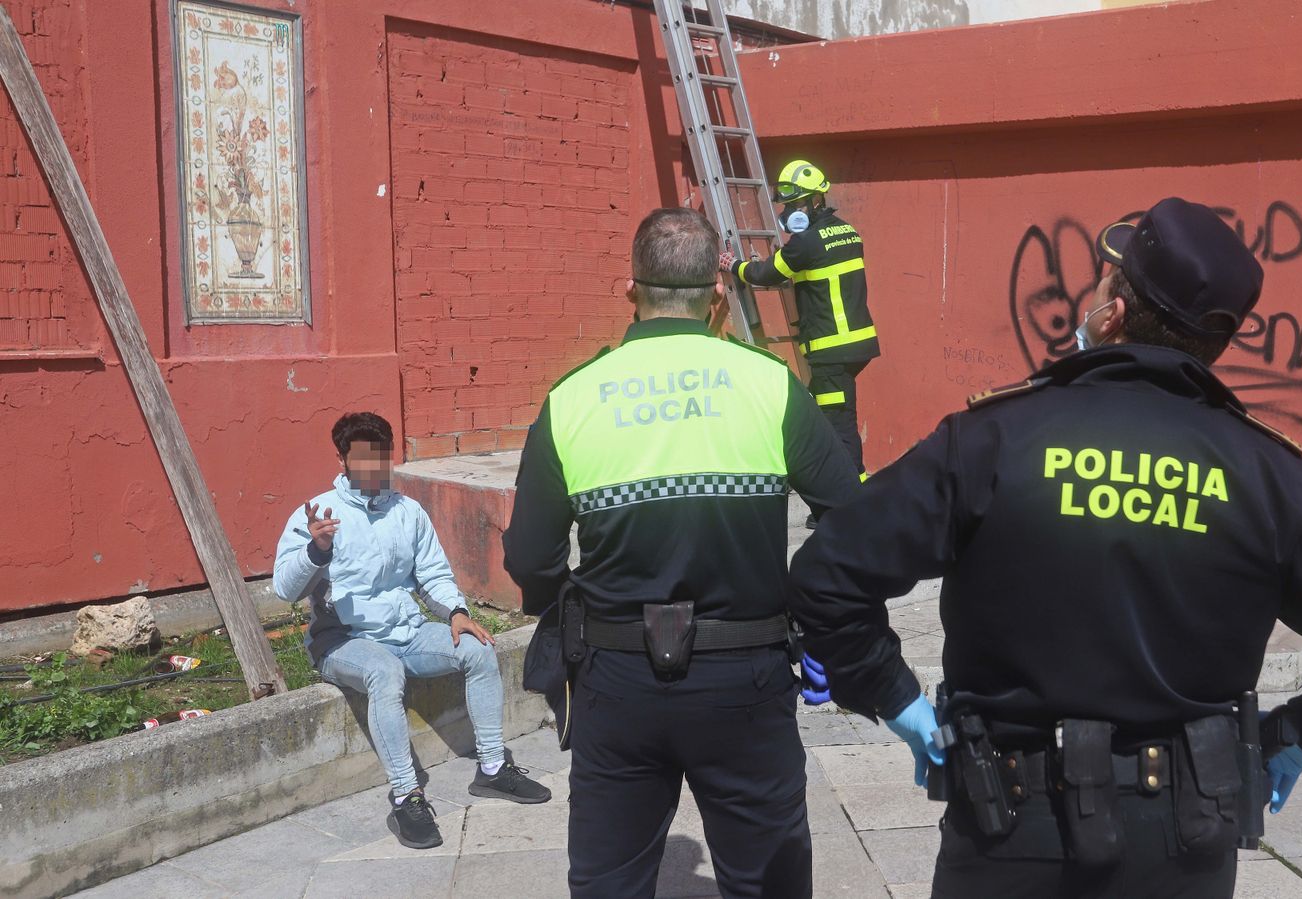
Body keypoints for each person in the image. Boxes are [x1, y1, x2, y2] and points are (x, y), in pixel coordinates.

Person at [787, 197, 1302, 897]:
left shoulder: (993, 439)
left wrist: (899, 701)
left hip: (1008, 823)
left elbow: (827, 576)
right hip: (1183, 836)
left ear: (1113, 312)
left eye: (1104, 279)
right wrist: (1296, 734)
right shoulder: (1272, 476)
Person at [503, 207, 860, 898]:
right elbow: (851, 518)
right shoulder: (768, 383)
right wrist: (815, 615)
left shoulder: (573, 399)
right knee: (769, 881)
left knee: (609, 882)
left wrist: (572, 612)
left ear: (629, 291)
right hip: (748, 678)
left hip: (617, 678)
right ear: (717, 294)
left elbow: (528, 557)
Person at [273, 412, 550, 851]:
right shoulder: (319, 514)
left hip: (408, 632)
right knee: (384, 673)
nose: (371, 467)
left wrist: (456, 611)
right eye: (360, 458)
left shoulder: (408, 511)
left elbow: (433, 573)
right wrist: (316, 549)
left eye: (379, 457)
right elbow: (285, 589)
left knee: (478, 650)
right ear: (342, 458)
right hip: (343, 641)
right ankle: (407, 795)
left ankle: (494, 770)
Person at [719, 160, 879, 492]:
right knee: (838, 418)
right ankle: (855, 494)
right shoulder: (847, 231)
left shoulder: (805, 243)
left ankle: (852, 498)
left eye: (796, 203)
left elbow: (764, 275)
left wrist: (733, 265)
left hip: (830, 350)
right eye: (788, 205)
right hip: (856, 344)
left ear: (816, 200)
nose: (791, 211)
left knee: (837, 425)